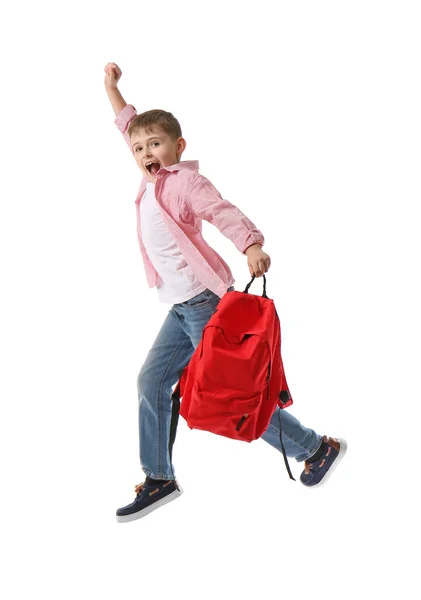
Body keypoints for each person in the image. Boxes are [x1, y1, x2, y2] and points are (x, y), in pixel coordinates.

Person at [103, 62, 347, 523]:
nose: (144, 152)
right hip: (179, 309)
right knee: (151, 381)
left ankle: (315, 448)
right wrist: (113, 90)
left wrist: (251, 244)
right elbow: (128, 125)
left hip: (203, 304)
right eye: (138, 147)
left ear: (178, 147)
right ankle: (159, 477)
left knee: (230, 396)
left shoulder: (183, 182)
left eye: (154, 144)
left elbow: (221, 211)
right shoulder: (149, 177)